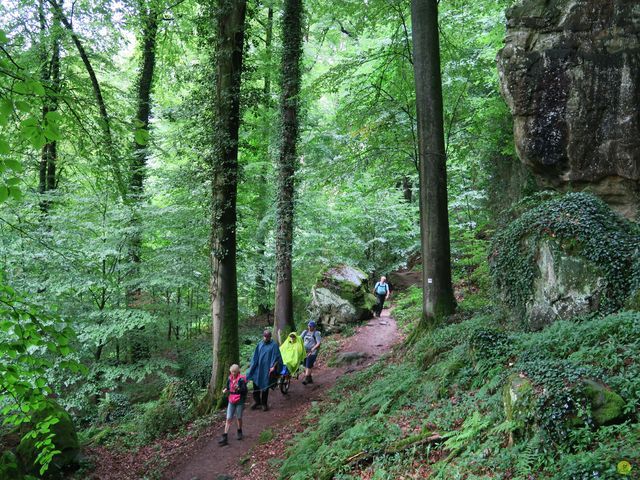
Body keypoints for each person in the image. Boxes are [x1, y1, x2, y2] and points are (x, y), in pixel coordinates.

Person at [246, 329, 282, 411]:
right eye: (265, 336)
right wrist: (252, 367)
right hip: (258, 369)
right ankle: (257, 401)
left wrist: (273, 367)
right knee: (256, 385)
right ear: (263, 336)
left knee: (265, 386)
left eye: (268, 337)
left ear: (270, 337)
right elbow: (255, 357)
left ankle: (264, 404)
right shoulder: (260, 344)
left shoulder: (274, 345)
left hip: (267, 370)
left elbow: (278, 358)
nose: (266, 338)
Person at [218, 364, 247, 446]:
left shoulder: (241, 379)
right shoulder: (229, 378)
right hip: (231, 400)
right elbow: (227, 386)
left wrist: (239, 389)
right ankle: (225, 436)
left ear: (238, 371)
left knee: (239, 417)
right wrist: (225, 389)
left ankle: (239, 431)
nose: (233, 373)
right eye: (232, 372)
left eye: (235, 372)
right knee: (228, 418)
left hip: (239, 401)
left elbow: (244, 391)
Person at [300, 321, 321, 385]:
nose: (309, 327)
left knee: (308, 364)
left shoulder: (316, 333)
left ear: (314, 327)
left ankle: (306, 379)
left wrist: (313, 349)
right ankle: (310, 378)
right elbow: (299, 338)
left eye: (310, 326)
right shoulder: (305, 332)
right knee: (305, 365)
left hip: (313, 352)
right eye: (308, 326)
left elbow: (318, 343)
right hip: (304, 351)